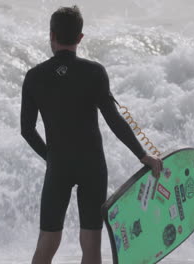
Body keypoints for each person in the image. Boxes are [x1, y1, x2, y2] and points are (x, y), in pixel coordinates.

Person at [20, 6, 163, 264]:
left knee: (48, 240)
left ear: (51, 35)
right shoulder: (94, 72)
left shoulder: (34, 77)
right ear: (80, 38)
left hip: (59, 165)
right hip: (92, 165)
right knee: (91, 244)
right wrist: (143, 155)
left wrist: (51, 157)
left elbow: (26, 131)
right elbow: (114, 120)